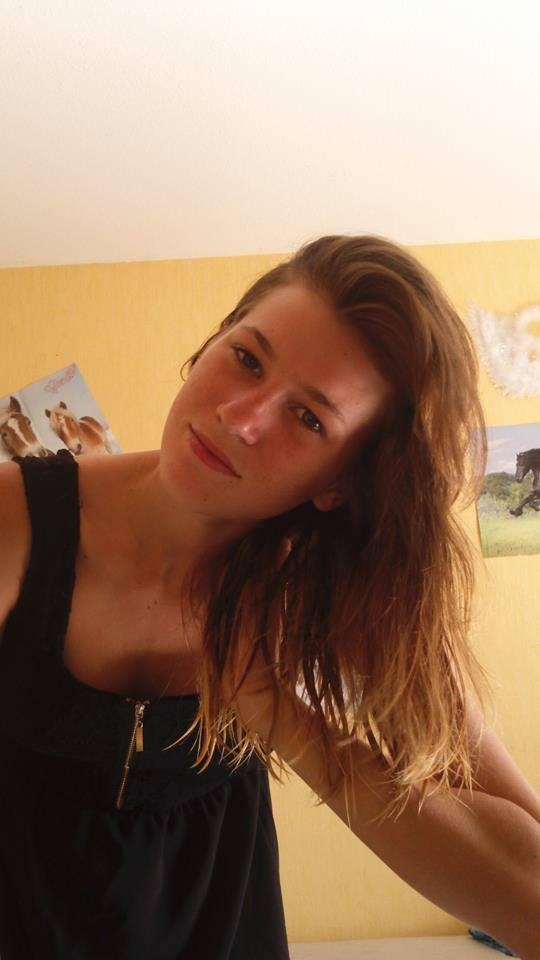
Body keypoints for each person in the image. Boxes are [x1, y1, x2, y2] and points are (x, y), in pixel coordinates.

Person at [0, 235, 538, 960]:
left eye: (309, 418)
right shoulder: (15, 522)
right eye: (247, 358)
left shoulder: (340, 594)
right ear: (215, 339)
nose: (242, 416)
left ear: (340, 482)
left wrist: (280, 711)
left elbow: (529, 896)